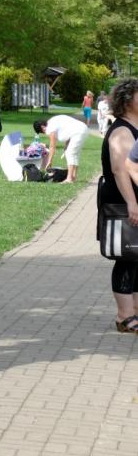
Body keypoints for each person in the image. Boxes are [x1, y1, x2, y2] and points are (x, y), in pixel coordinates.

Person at [98, 79, 138, 333]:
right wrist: (132, 202)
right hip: (122, 202)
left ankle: (134, 309)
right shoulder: (122, 131)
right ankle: (124, 315)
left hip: (132, 201)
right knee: (127, 256)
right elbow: (120, 170)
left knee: (137, 256)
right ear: (127, 100)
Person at [33, 114, 89, 183]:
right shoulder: (52, 121)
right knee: (74, 154)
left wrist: (49, 161)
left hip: (78, 131)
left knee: (70, 153)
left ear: (42, 127)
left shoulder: (49, 128)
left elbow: (52, 146)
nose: (45, 133)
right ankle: (73, 177)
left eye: (42, 132)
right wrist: (66, 145)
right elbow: (68, 130)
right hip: (82, 129)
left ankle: (69, 179)